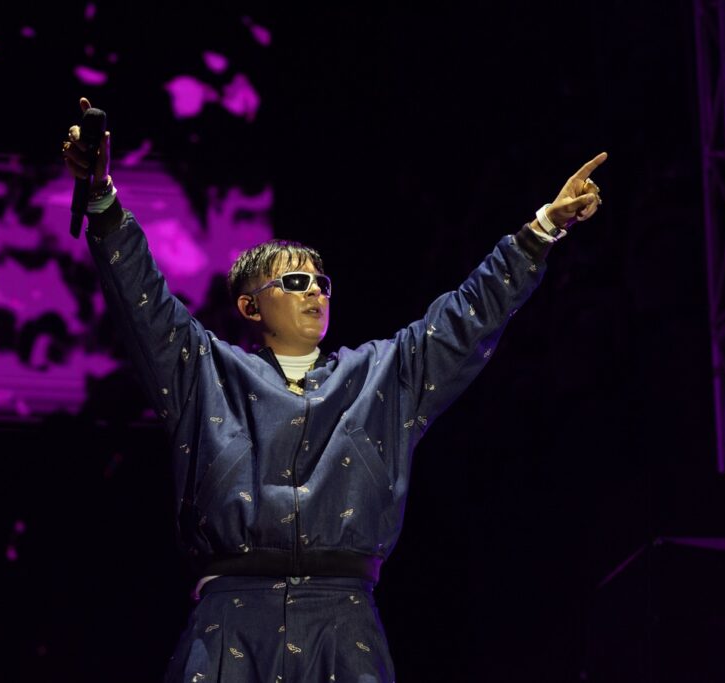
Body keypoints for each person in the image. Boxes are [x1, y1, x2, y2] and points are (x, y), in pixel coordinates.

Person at [62, 96, 605, 683]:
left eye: (322, 283)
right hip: (230, 619)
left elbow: (466, 317)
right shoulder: (205, 373)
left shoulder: (383, 374)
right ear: (250, 306)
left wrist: (542, 229)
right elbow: (143, 303)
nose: (315, 291)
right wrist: (102, 199)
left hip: (344, 622)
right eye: (295, 281)